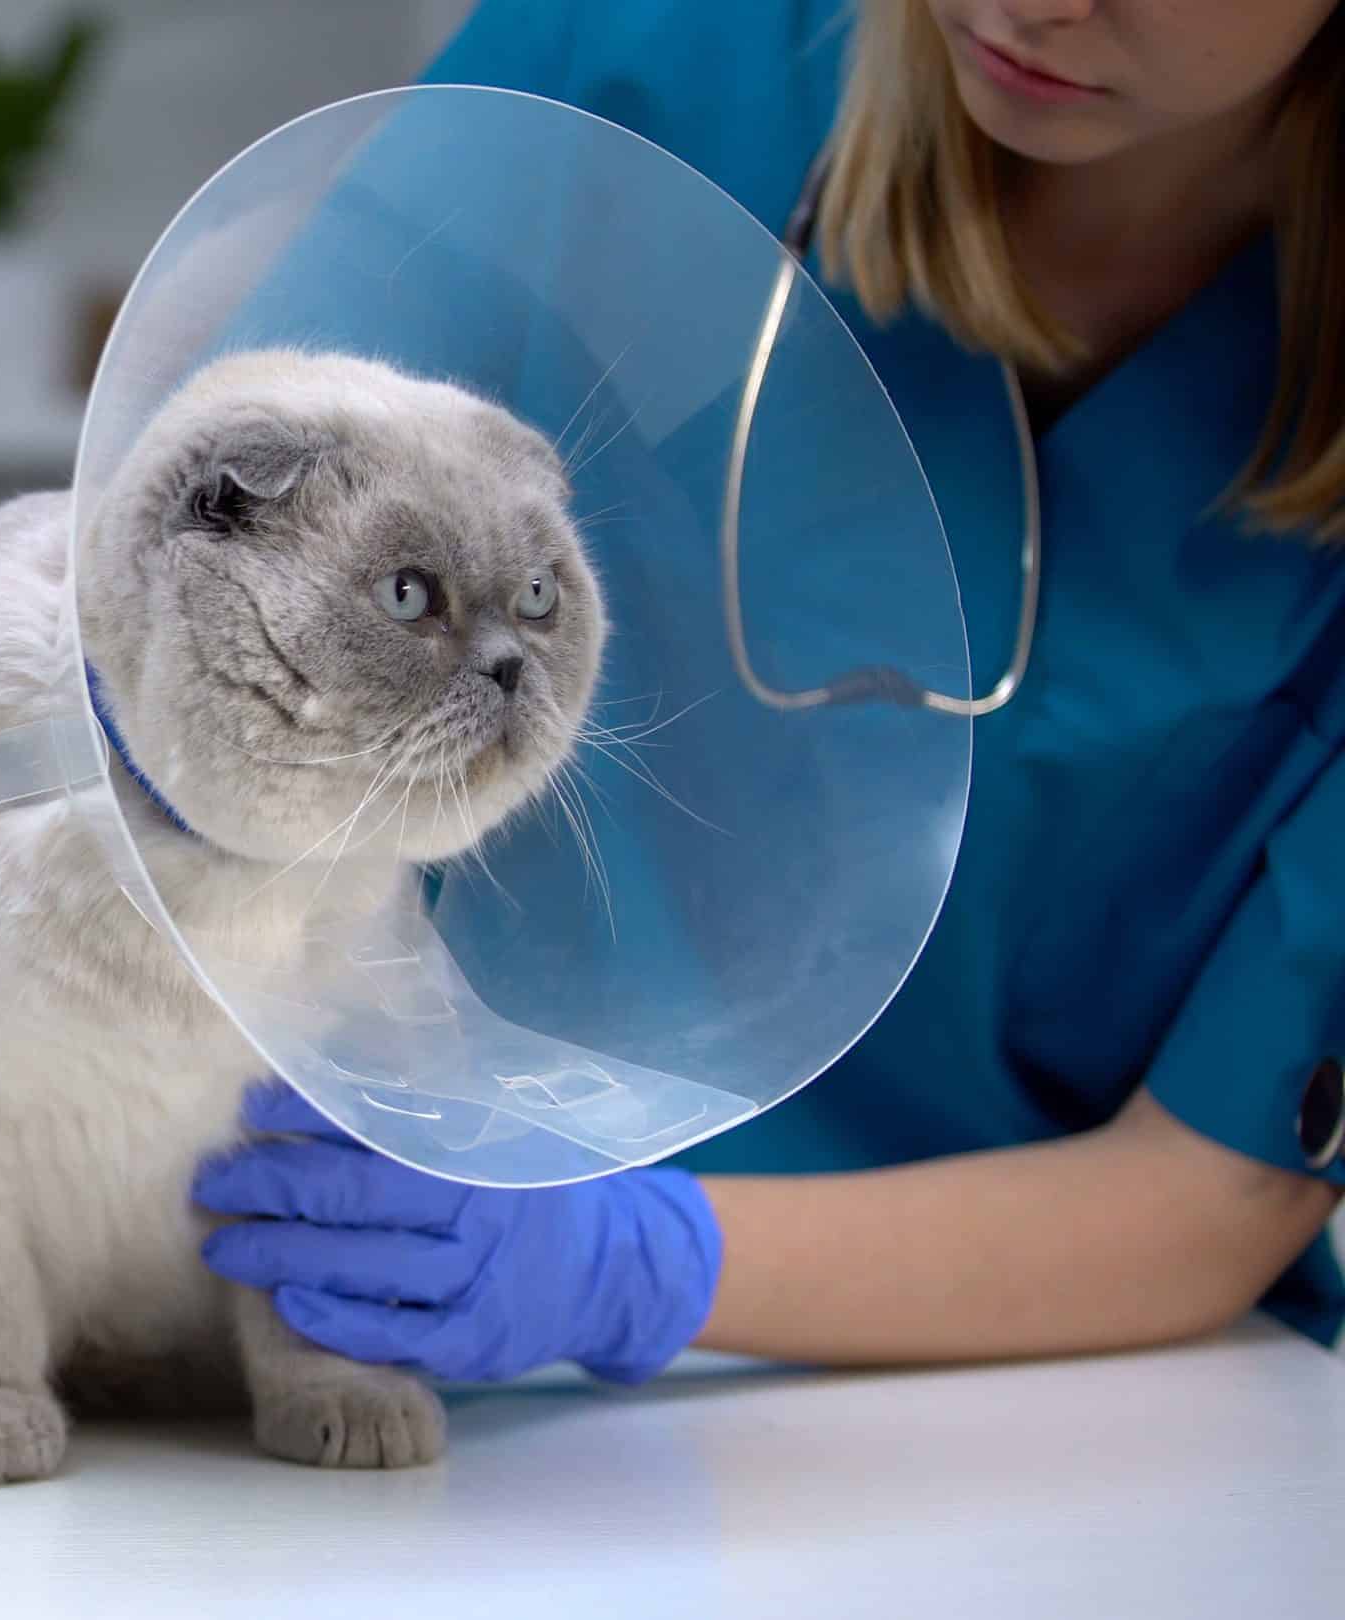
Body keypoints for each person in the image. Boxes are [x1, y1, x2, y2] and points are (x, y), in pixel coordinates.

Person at [194, 0, 1345, 1379]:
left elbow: (1218, 1191)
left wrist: (635, 1263)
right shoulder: (660, 50)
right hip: (385, 1298)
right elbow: (201, 571)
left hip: (1054, 1399)